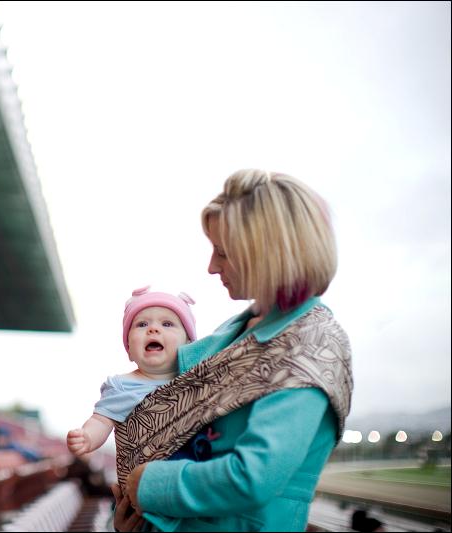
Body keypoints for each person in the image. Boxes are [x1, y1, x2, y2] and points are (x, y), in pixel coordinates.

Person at [113, 169, 353, 532]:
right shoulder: (242, 329)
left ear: (267, 254)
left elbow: (251, 477)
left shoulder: (311, 344)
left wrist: (146, 487)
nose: (212, 267)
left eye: (223, 253)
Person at [67, 287, 197, 456]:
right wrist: (87, 437)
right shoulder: (123, 386)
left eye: (167, 324)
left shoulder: (196, 379)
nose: (153, 329)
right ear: (129, 349)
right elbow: (101, 420)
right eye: (142, 324)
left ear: (189, 344)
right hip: (143, 472)